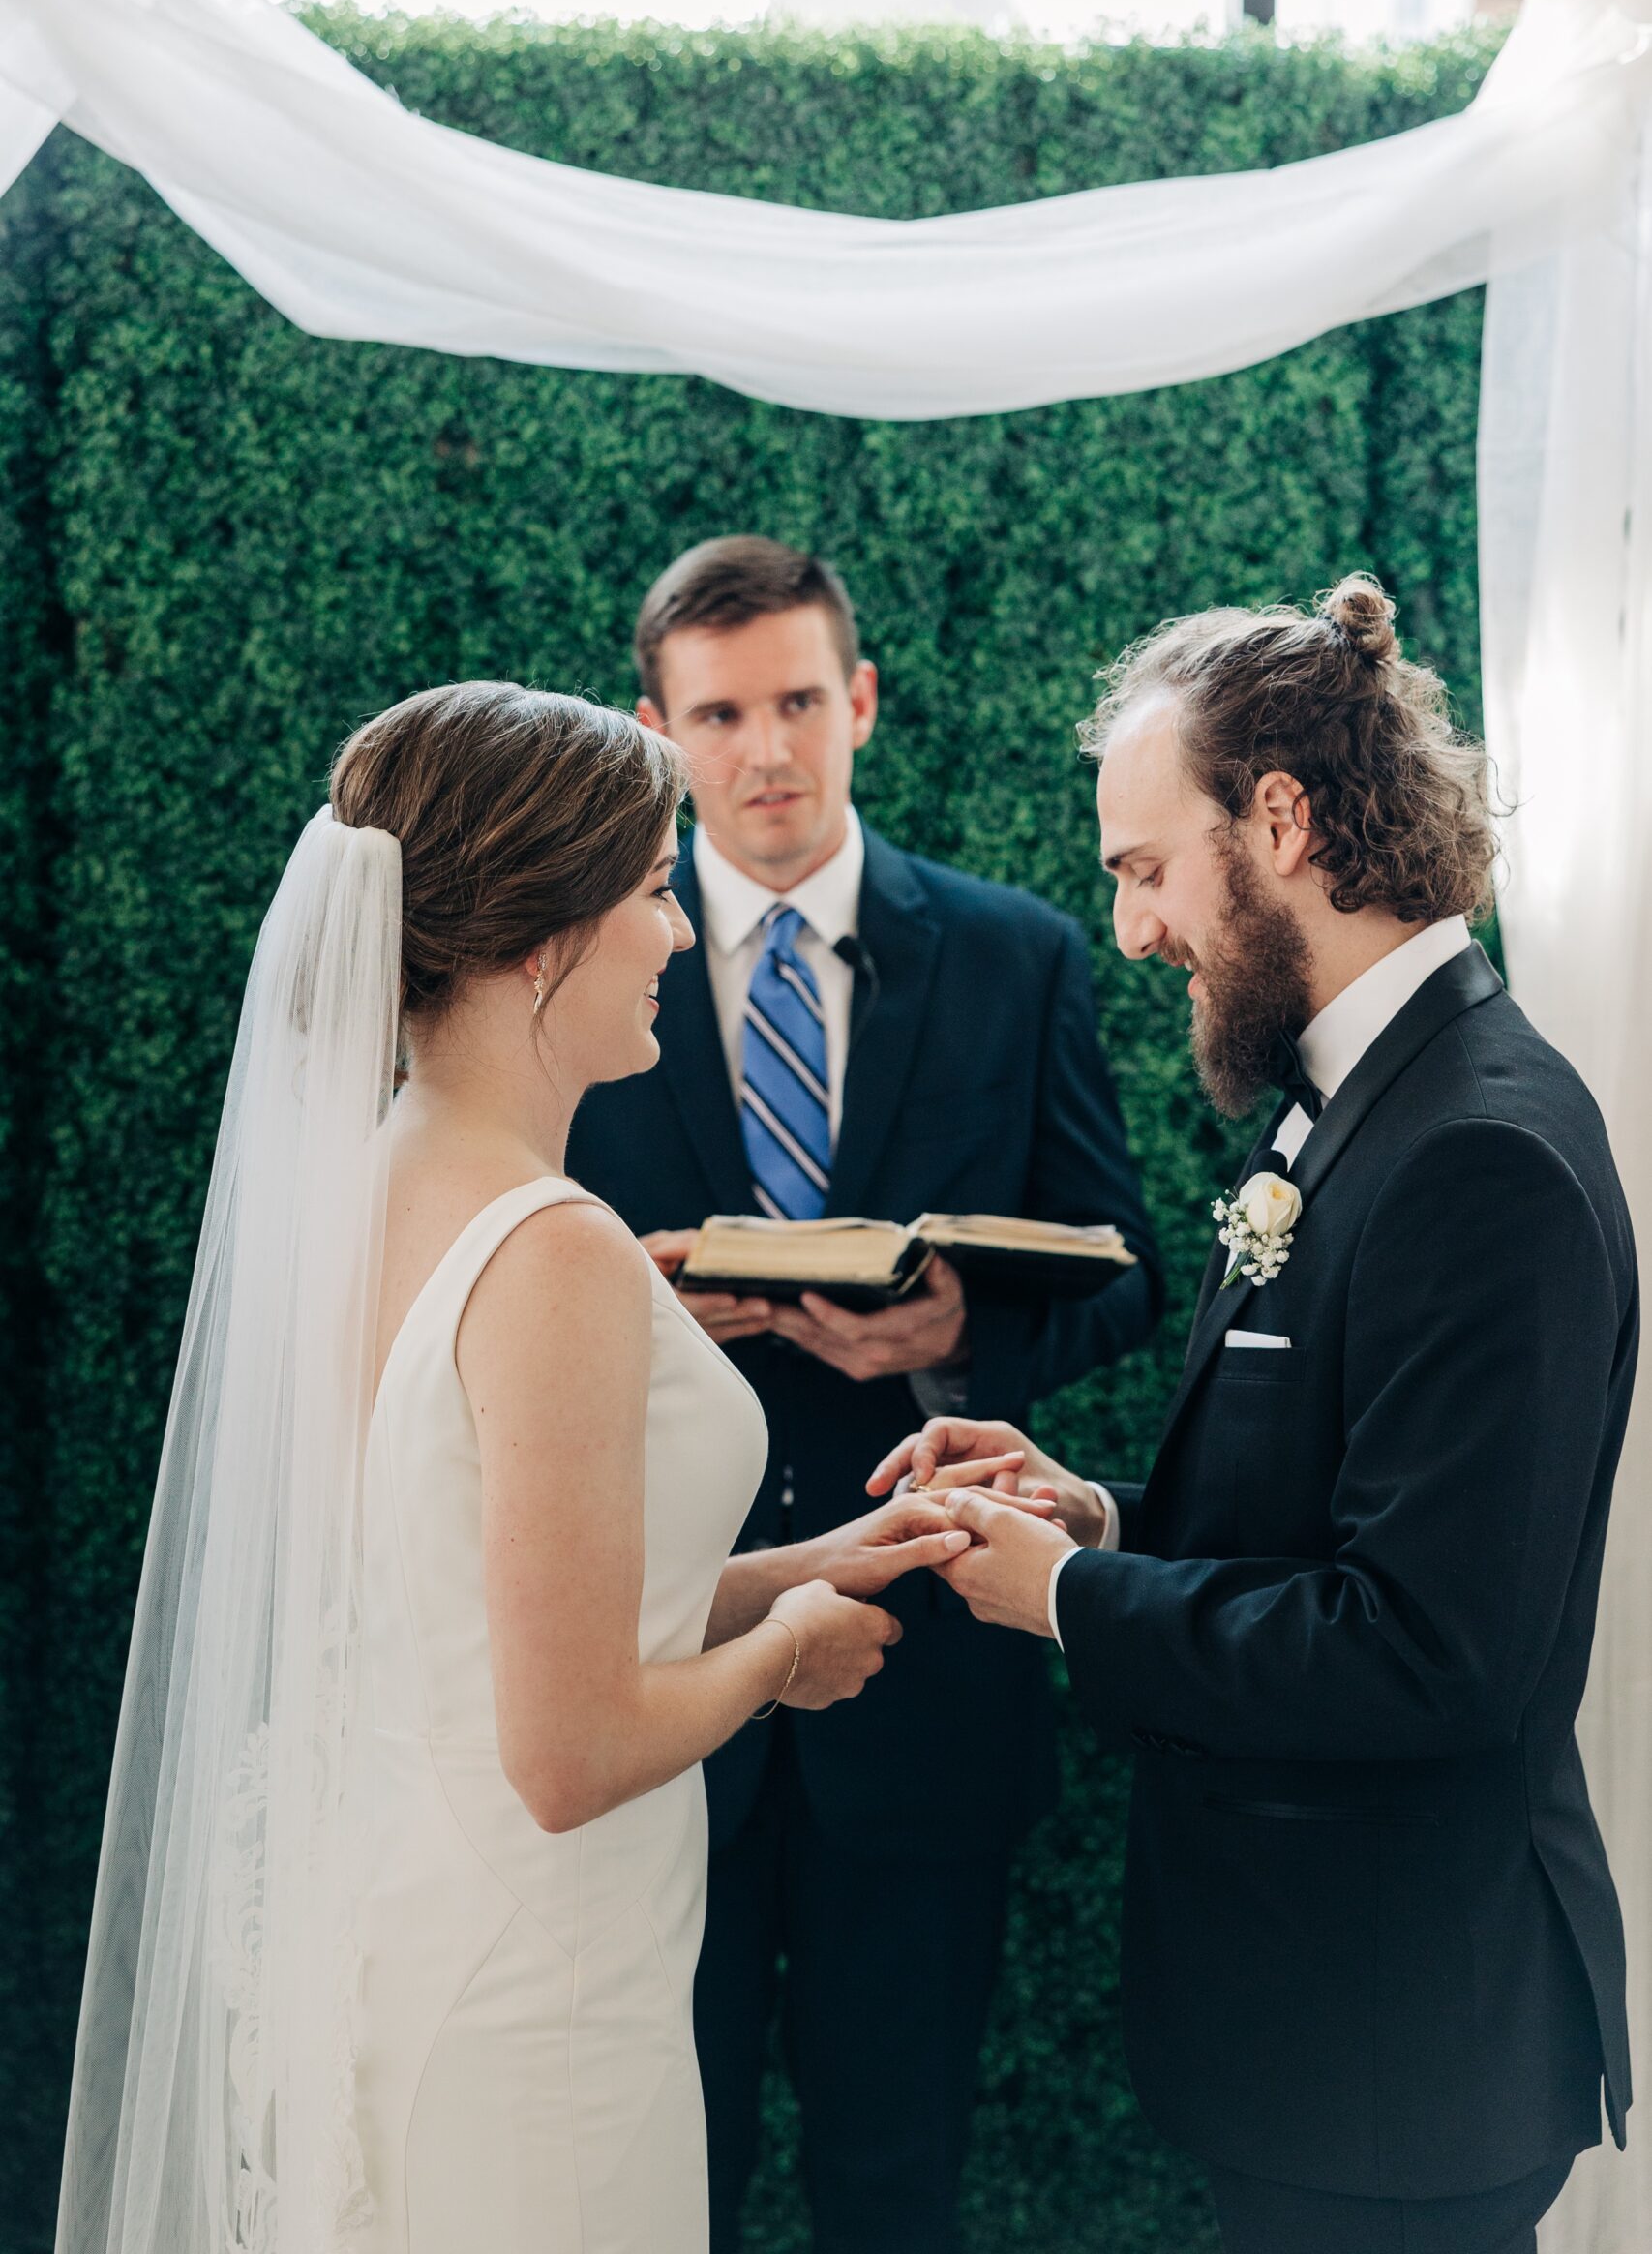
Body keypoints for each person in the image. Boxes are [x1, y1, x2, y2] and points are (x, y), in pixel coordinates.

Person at [56, 680, 985, 2254]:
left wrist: (837, 1556)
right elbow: (569, 1753)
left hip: (418, 1925)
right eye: (648, 891)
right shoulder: (551, 1251)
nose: (682, 933)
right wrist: (788, 1654)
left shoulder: (384, 1172)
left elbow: (493, 1604)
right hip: (538, 1985)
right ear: (545, 939)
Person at [877, 575, 1637, 2254]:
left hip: (1398, 2050)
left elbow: (1427, 1649)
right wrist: (1099, 1519)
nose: (1135, 930)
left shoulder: (1478, 1151)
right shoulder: (1369, 1102)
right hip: (1324, 2034)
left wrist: (1069, 1602)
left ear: (1279, 819)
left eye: (1147, 869)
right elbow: (1327, 1517)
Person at [567, 537, 1162, 2254]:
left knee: (893, 2185)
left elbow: (1124, 1267)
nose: (767, 750)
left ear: (863, 704)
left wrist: (959, 1338)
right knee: (646, 2185)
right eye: (723, 712)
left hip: (927, 1688)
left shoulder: (1012, 951)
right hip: (648, 1677)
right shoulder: (587, 958)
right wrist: (654, 1312)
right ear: (655, 728)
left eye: (801, 703)